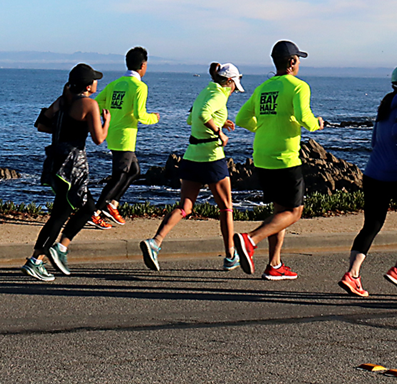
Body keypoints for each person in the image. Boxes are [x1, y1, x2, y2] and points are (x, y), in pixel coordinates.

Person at [232, 41, 323, 280]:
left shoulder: (263, 88)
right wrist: (316, 124)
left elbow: (241, 118)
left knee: (279, 211)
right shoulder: (298, 86)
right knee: (294, 211)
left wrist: (264, 128)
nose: (299, 63)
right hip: (285, 158)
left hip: (261, 156)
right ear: (292, 62)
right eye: (298, 59)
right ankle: (250, 239)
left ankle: (274, 264)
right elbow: (305, 117)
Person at [140, 62, 243, 272]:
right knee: (226, 207)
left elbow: (191, 119)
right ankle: (231, 255)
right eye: (235, 86)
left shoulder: (206, 91)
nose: (234, 91)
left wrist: (221, 121)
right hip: (212, 157)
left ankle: (155, 242)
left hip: (191, 156)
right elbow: (203, 115)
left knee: (185, 207)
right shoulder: (219, 95)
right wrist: (219, 132)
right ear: (229, 82)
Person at [339, 64, 397, 298]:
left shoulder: (388, 102)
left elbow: (384, 134)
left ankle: (352, 274)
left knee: (372, 225)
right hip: (396, 174)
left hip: (373, 173)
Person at [22, 64, 111, 281]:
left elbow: (41, 125)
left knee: (88, 208)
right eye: (95, 80)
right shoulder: (90, 104)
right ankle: (36, 260)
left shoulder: (62, 101)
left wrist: (65, 129)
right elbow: (99, 139)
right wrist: (106, 122)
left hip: (56, 160)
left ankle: (60, 248)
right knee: (61, 213)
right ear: (89, 86)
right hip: (73, 165)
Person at [91, 47, 161, 229]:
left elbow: (97, 104)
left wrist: (110, 115)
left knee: (134, 172)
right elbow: (140, 114)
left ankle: (112, 205)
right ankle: (96, 212)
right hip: (125, 136)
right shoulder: (139, 87)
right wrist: (154, 117)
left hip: (113, 133)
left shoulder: (115, 84)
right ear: (143, 66)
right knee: (119, 175)